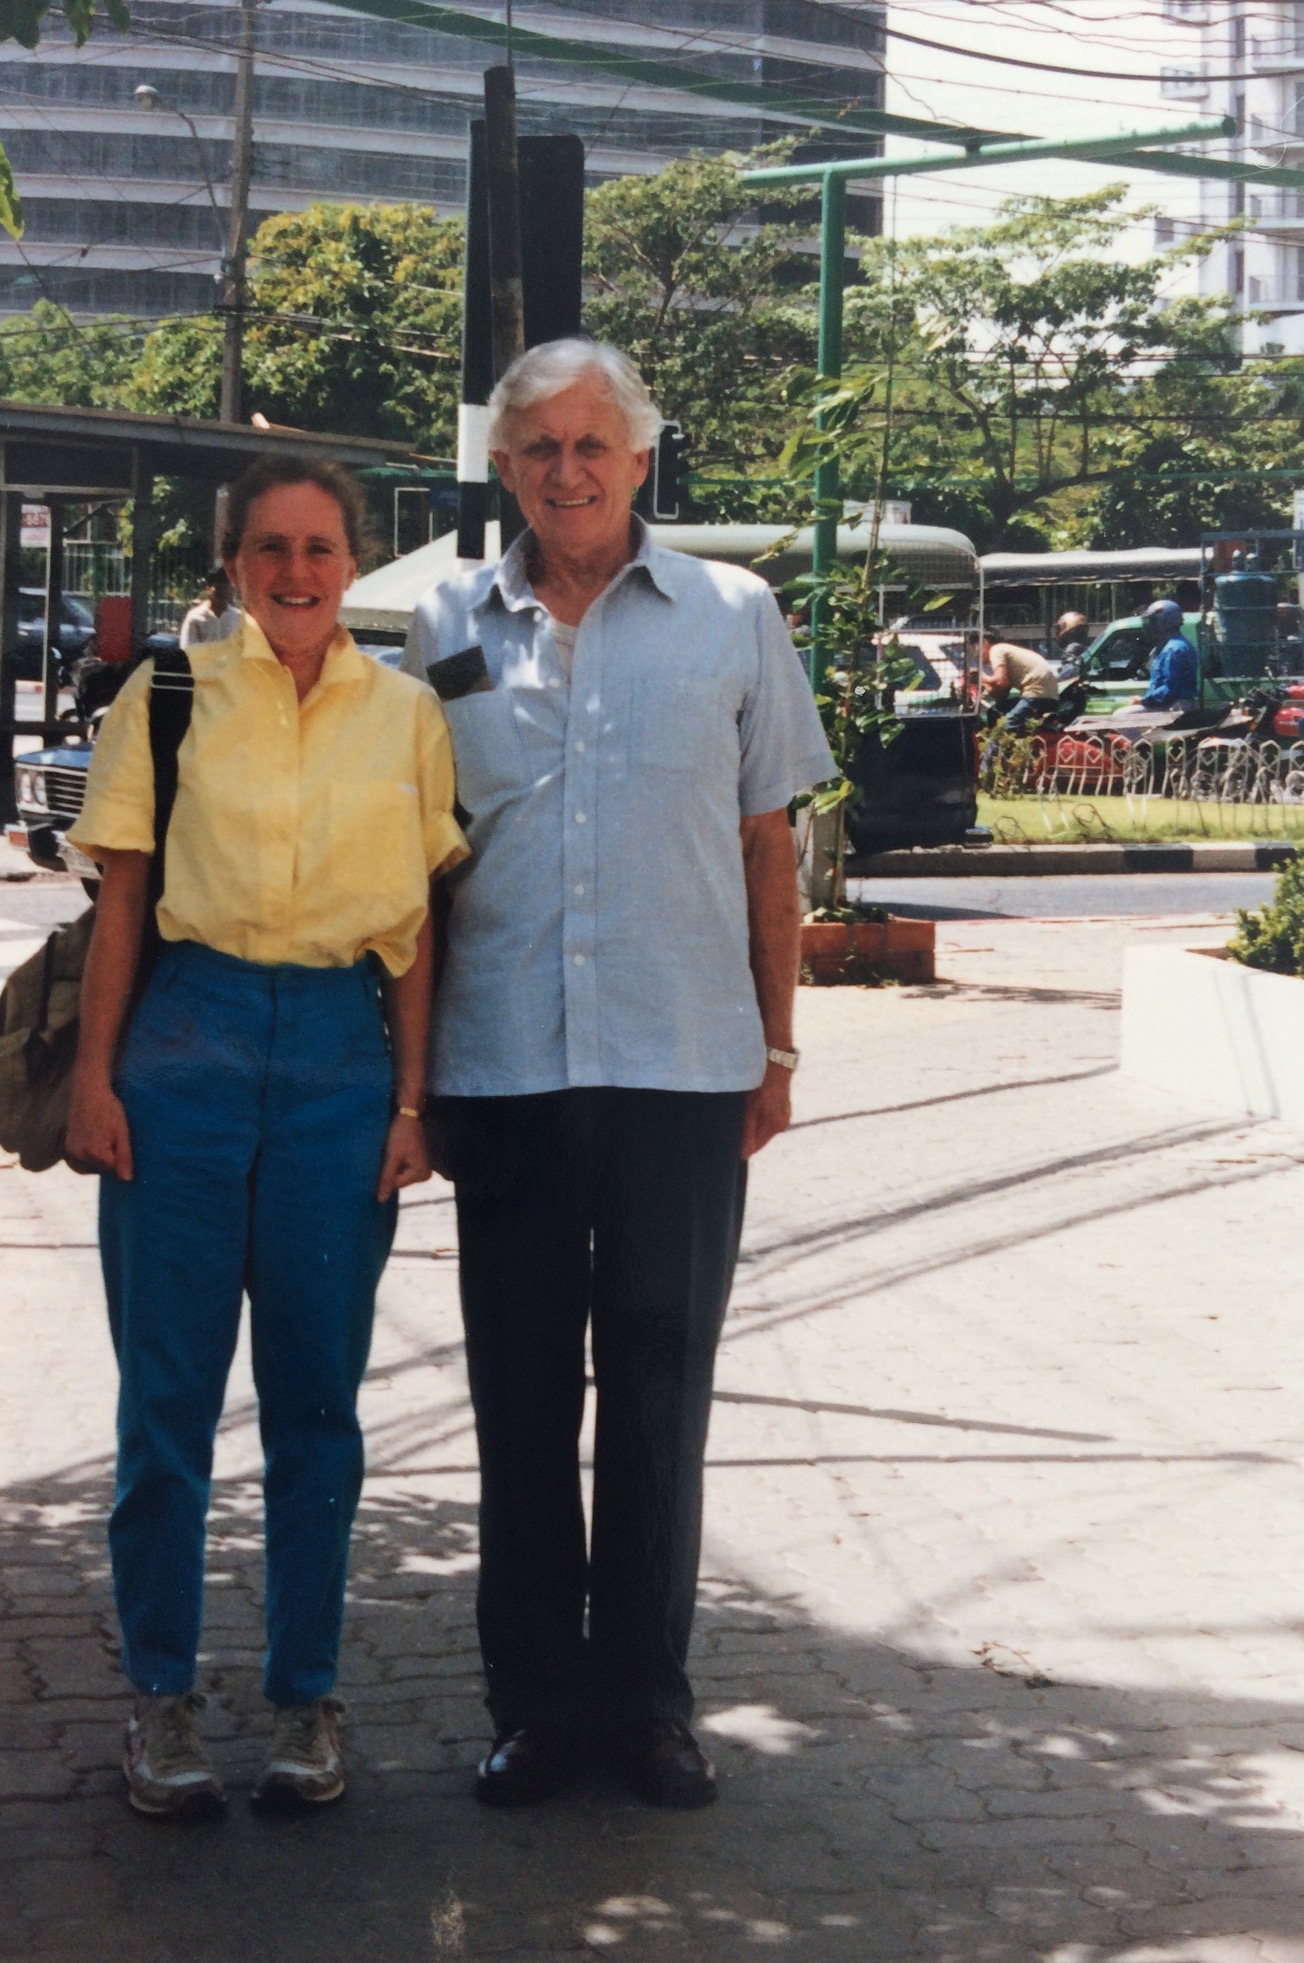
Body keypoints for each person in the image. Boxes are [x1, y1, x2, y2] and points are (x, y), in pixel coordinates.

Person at [403, 338, 834, 1812]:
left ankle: (648, 1704)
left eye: (595, 444)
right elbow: (424, 867)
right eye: (541, 448)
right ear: (504, 468)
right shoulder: (447, 623)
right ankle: (533, 1706)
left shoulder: (732, 614)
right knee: (521, 1399)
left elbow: (769, 846)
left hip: (681, 1068)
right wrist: (415, 1087)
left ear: (642, 458)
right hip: (505, 1070)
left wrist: (776, 1045)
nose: (569, 471)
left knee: (659, 1393)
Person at [65, 454, 466, 1822]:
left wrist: (411, 1105)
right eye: (271, 548)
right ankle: (160, 1696)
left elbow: (417, 929)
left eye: (321, 548)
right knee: (165, 1401)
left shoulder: (406, 713)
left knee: (316, 1406)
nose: (297, 573)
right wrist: (95, 1079)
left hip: (340, 1065)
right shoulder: (170, 695)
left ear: (354, 563)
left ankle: (307, 1699)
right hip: (186, 1042)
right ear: (233, 564)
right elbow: (124, 898)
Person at [979, 633, 1059, 737]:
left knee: (1005, 727)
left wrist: (981, 677)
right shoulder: (1008, 651)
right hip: (1047, 697)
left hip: (1036, 696)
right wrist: (984, 683)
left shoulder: (996, 650)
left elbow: (999, 682)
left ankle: (995, 747)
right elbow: (1001, 693)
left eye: (974, 646)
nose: (975, 653)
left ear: (984, 642)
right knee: (995, 711)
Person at [1137, 598, 1200, 709]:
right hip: (1171, 703)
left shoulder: (1173, 649)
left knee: (1122, 714)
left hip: (1174, 705)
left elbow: (1170, 688)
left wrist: (1143, 701)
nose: (1150, 626)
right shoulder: (1172, 645)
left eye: (1153, 621)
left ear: (1165, 622)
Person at [178, 564, 242, 648]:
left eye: (226, 588)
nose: (223, 592)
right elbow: (187, 649)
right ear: (208, 589)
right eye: (218, 588)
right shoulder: (195, 617)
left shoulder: (237, 617)